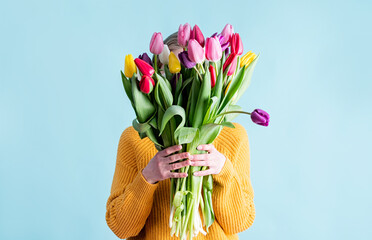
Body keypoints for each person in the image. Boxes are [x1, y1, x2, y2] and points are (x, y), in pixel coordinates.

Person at [105, 33, 255, 240]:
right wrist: (148, 177)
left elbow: (241, 221)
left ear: (205, 73)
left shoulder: (233, 135)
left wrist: (224, 171)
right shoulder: (135, 137)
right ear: (159, 77)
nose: (184, 82)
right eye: (173, 72)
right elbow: (120, 228)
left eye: (191, 72)